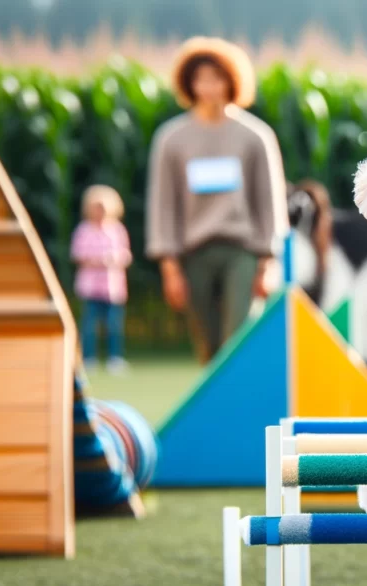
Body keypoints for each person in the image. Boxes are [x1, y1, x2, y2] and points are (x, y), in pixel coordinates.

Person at [146, 36, 287, 363]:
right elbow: (163, 205)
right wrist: (170, 268)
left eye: (216, 78)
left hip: (242, 251)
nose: (208, 87)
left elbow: (269, 203)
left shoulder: (255, 136)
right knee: (207, 349)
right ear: (189, 84)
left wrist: (266, 263)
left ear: (232, 81)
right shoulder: (171, 139)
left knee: (237, 342)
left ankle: (242, 409)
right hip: (193, 253)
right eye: (201, 79)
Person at [72, 184, 133, 374]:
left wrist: (114, 259)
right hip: (90, 287)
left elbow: (125, 255)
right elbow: (77, 255)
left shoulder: (117, 230)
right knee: (89, 325)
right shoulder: (84, 230)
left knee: (114, 325)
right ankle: (88, 358)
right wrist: (99, 260)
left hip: (112, 288)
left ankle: (115, 358)